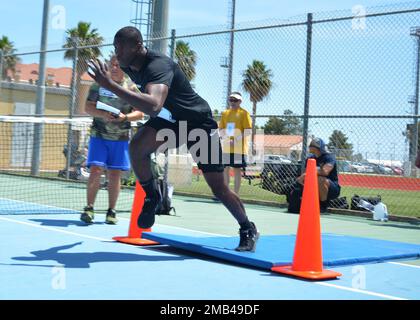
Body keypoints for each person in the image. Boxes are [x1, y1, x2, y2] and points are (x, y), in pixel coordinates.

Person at [87, 26, 259, 252]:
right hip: (172, 121)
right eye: (115, 47)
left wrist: (110, 85)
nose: (117, 53)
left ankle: (248, 228)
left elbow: (153, 105)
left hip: (198, 123)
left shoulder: (158, 66)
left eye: (121, 47)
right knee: (137, 147)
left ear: (138, 46)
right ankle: (152, 195)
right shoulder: (128, 64)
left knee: (218, 187)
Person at [82, 55, 144, 225]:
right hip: (99, 135)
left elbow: (140, 112)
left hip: (120, 138)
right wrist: (103, 114)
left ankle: (111, 211)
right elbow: (88, 107)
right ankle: (89, 208)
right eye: (112, 65)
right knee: (95, 169)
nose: (114, 68)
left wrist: (125, 117)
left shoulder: (131, 88)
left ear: (124, 67)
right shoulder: (99, 84)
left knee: (115, 174)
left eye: (118, 65)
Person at [219, 92, 252, 195]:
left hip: (239, 149)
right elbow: (221, 129)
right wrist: (226, 138)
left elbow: (248, 130)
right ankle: (225, 193)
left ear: (240, 101)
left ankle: (236, 195)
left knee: (237, 170)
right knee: (225, 169)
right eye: (231, 100)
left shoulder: (244, 113)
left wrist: (236, 140)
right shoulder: (225, 113)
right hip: (227, 148)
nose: (232, 102)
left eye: (235, 100)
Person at [296, 137, 341, 213]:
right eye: (311, 145)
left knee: (320, 179)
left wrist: (306, 174)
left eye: (313, 146)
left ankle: (323, 205)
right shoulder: (310, 158)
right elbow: (305, 173)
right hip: (316, 186)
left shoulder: (329, 157)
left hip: (332, 188)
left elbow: (325, 172)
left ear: (318, 148)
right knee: (301, 181)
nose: (310, 147)